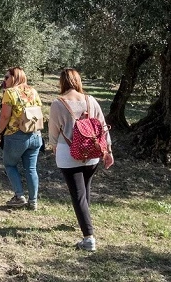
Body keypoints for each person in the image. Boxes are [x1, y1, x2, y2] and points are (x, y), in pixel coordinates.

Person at [48, 68, 113, 252]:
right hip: (92, 154)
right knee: (84, 191)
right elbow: (102, 126)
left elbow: (53, 131)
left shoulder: (58, 103)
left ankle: (88, 237)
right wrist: (108, 150)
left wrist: (53, 146)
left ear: (62, 82)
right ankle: (85, 221)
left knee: (78, 194)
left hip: (68, 154)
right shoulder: (90, 100)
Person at [0, 66, 43, 210]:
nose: (5, 80)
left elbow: (5, 116)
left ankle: (19, 196)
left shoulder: (10, 93)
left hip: (16, 135)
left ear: (15, 78)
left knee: (10, 165)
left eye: (7, 77)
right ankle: (33, 201)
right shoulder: (33, 91)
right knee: (31, 168)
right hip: (35, 134)